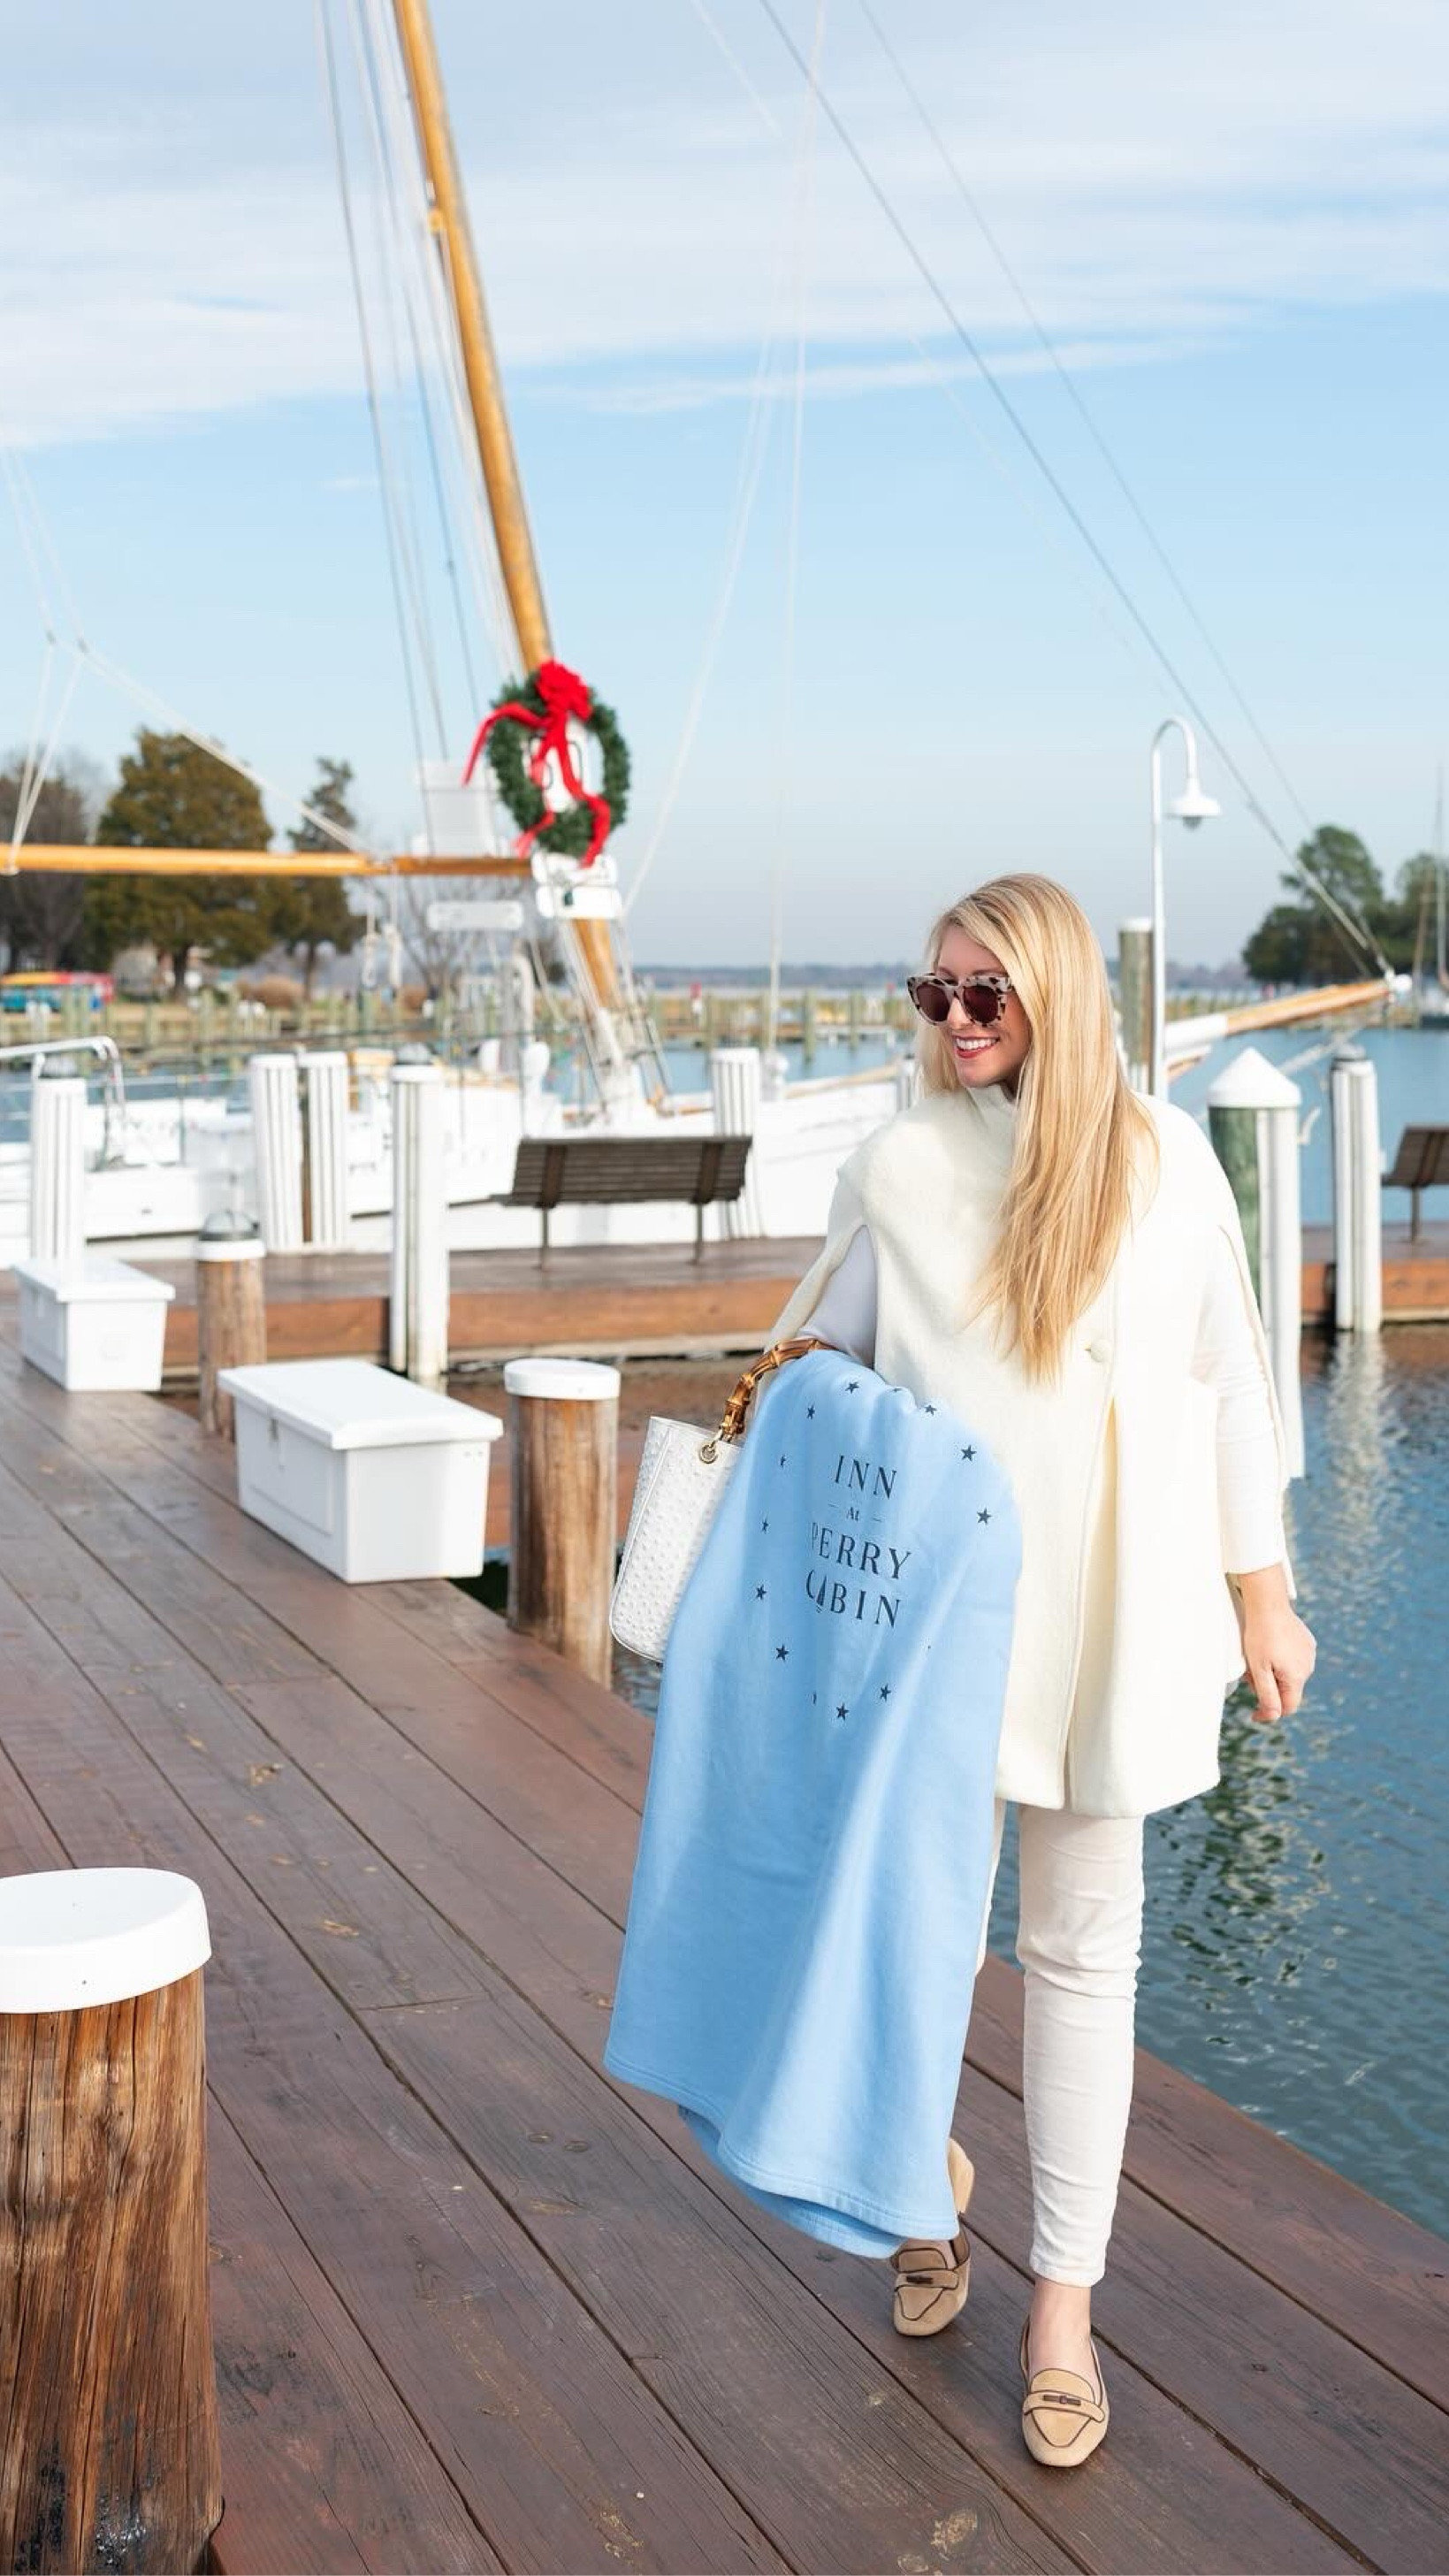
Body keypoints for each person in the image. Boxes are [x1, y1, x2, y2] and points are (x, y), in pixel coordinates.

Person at [765, 873, 1316, 2469]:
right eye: (931, 994)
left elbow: (1227, 1396)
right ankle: (911, 2177)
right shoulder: (900, 1168)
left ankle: (1063, 2312)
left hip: (1119, 1623)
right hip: (937, 1618)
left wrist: (1262, 1598)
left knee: (1085, 1961)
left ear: (1060, 995)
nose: (954, 1022)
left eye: (984, 994)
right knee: (914, 1936)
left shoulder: (1165, 1168)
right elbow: (815, 1367)